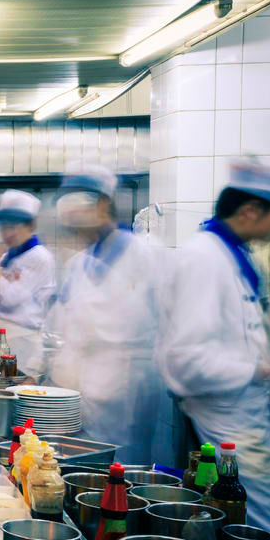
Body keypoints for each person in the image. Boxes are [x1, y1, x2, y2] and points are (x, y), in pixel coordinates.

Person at [156, 161, 270, 540]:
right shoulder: (204, 259)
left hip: (243, 419)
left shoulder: (230, 256)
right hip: (229, 424)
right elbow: (187, 360)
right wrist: (267, 371)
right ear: (251, 210)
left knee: (259, 530)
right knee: (268, 534)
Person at [46, 166, 169, 464]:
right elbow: (65, 329)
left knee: (122, 477)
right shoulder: (79, 264)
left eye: (79, 215)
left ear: (103, 206)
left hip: (129, 399)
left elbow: (168, 327)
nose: (74, 228)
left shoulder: (146, 256)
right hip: (83, 399)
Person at [0, 190, 56, 376]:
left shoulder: (39, 257)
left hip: (23, 347)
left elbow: (10, 298)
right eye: (3, 227)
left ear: (30, 225)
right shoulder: (9, 256)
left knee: (19, 397)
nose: (7, 233)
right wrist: (0, 288)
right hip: (1, 342)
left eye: (13, 227)